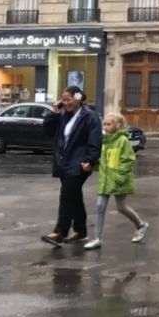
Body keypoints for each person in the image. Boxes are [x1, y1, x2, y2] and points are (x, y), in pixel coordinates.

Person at [40, 85, 102, 246]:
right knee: (74, 196)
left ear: (78, 98)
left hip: (80, 163)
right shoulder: (64, 116)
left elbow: (95, 141)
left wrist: (91, 160)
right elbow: (47, 130)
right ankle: (81, 232)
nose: (65, 102)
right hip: (64, 162)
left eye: (68, 99)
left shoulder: (90, 117)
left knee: (67, 196)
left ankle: (60, 232)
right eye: (64, 99)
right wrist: (54, 112)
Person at [84, 113, 148, 250]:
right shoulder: (105, 140)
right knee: (100, 206)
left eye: (109, 124)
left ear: (118, 126)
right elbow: (102, 159)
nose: (105, 127)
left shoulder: (123, 141)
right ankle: (97, 238)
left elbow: (128, 160)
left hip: (119, 180)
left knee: (121, 207)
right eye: (104, 124)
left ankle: (141, 224)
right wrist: (92, 165)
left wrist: (120, 177)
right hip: (105, 179)